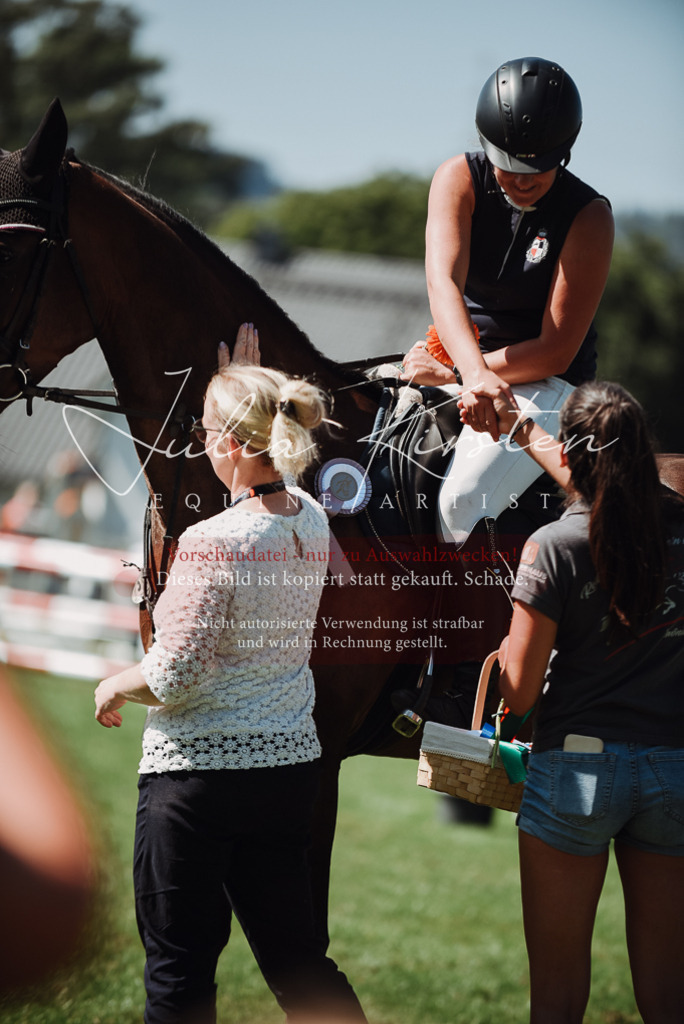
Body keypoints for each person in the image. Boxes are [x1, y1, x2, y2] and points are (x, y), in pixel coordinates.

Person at [94, 326, 367, 1024]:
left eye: (207, 430)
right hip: (285, 773)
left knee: (179, 975)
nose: (200, 442)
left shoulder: (209, 541)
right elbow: (278, 501)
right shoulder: (311, 518)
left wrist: (114, 683)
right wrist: (248, 391)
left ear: (237, 444)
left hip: (196, 785)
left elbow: (175, 675)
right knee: (300, 965)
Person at [493, 382, 684, 1024]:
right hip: (675, 769)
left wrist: (509, 650)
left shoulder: (553, 545)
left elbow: (519, 694)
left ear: (572, 454)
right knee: (670, 994)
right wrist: (526, 430)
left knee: (557, 994)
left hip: (575, 774)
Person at [402, 56, 614, 547]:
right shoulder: (457, 177)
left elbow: (554, 350)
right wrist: (469, 372)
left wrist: (460, 376)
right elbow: (443, 283)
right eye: (509, 165)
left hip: (548, 382)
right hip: (468, 364)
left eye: (537, 168)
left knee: (463, 501)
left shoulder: (589, 216)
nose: (521, 180)